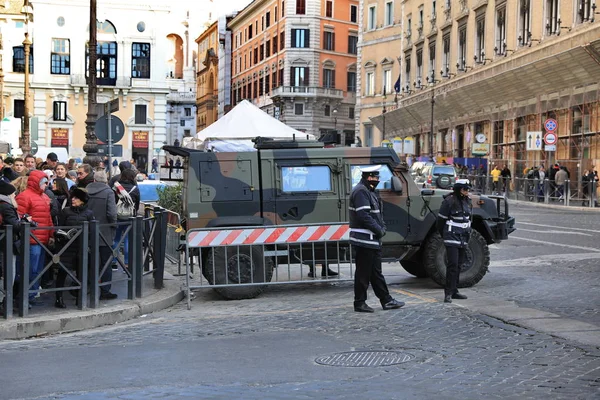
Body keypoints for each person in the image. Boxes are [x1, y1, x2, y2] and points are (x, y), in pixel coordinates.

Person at [350, 166, 404, 313]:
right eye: (375, 177)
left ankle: (386, 300)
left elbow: (376, 214)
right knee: (363, 273)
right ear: (369, 177)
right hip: (364, 240)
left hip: (371, 240)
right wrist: (379, 230)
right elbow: (364, 216)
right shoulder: (361, 191)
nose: (378, 180)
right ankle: (359, 303)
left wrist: (382, 226)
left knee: (376, 273)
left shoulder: (368, 191)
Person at [15, 170, 54, 304]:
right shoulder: (24, 196)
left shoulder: (44, 197)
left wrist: (51, 234)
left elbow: (48, 218)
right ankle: (24, 298)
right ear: (37, 182)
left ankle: (31, 296)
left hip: (41, 239)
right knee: (30, 270)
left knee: (37, 270)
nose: (46, 185)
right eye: (44, 182)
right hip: (31, 239)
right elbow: (19, 217)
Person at [54, 188, 95, 308]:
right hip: (66, 247)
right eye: (72, 197)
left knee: (81, 273)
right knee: (62, 273)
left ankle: (79, 298)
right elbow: (59, 227)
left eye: (76, 198)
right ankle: (58, 298)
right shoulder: (65, 211)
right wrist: (62, 235)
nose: (73, 199)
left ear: (82, 200)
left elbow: (92, 231)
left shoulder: (89, 213)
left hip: (80, 247)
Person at [436, 179, 472, 303]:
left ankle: (455, 290)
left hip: (463, 237)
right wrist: (445, 235)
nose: (467, 192)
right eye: (465, 189)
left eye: (468, 189)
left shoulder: (468, 201)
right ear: (458, 189)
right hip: (451, 237)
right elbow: (440, 222)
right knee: (452, 265)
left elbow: (468, 219)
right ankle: (448, 293)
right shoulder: (449, 201)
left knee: (458, 265)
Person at [86, 169, 118, 300]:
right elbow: (111, 213)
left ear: (94, 179)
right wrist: (114, 225)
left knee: (89, 261)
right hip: (104, 232)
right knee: (106, 262)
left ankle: (87, 286)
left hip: (87, 231)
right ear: (105, 180)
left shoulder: (86, 190)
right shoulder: (108, 192)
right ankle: (105, 290)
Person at [112, 168, 140, 271]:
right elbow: (137, 204)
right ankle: (127, 264)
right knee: (128, 239)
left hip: (117, 216)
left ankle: (113, 262)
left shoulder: (116, 187)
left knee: (116, 239)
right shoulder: (135, 188)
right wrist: (134, 213)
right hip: (129, 217)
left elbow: (112, 201)